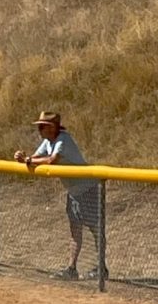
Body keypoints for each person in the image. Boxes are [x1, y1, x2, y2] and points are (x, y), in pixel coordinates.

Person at [13, 112, 102, 280]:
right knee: (75, 231)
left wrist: (28, 161)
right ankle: (72, 269)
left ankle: (101, 267)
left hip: (87, 189)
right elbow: (36, 158)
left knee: (96, 230)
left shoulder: (63, 139)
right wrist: (23, 158)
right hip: (74, 191)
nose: (39, 130)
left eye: (42, 126)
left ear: (52, 127)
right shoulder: (48, 141)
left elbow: (51, 160)